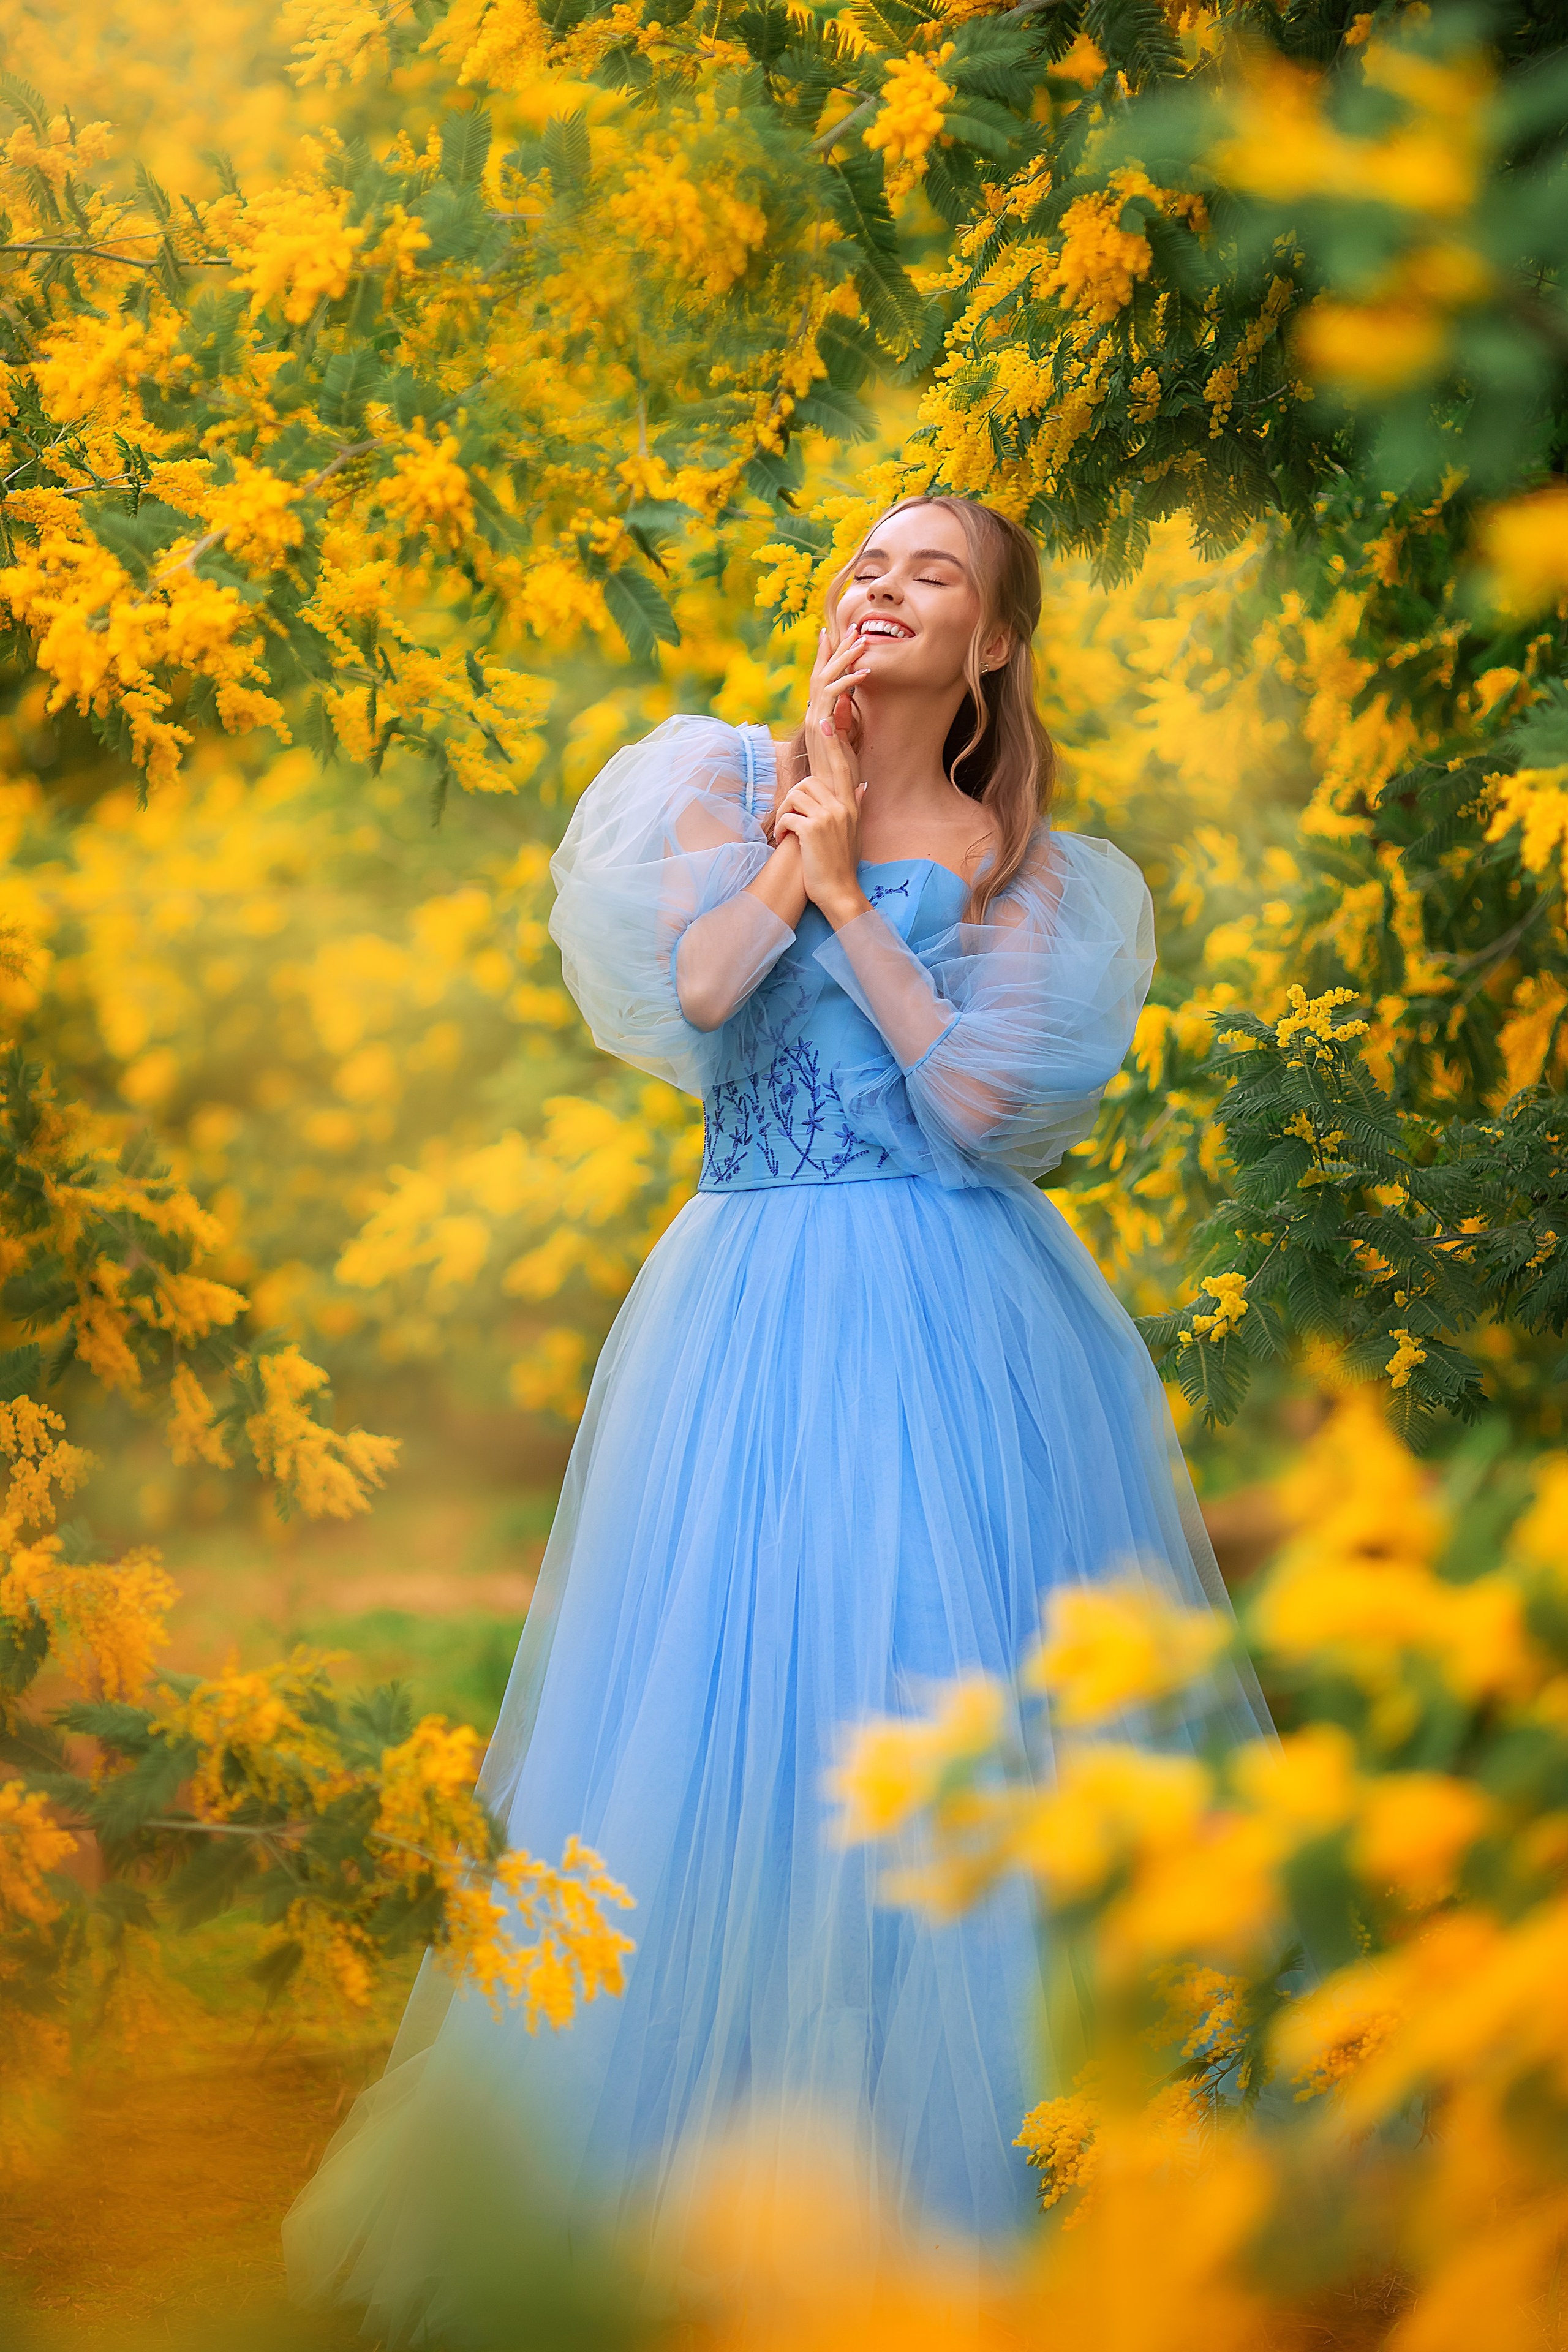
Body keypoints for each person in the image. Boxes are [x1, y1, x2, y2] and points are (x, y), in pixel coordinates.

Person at [284, 494, 1268, 2341]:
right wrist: (790, 849)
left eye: (933, 573)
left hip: (961, 1312)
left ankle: (954, 2173)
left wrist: (852, 901)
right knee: (721, 1695)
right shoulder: (713, 778)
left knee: (938, 1695)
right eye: (866, 564)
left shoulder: (1035, 863)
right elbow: (707, 998)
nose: (880, 588)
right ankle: (688, 2165)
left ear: (991, 645)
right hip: (747, 1297)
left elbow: (987, 1109)